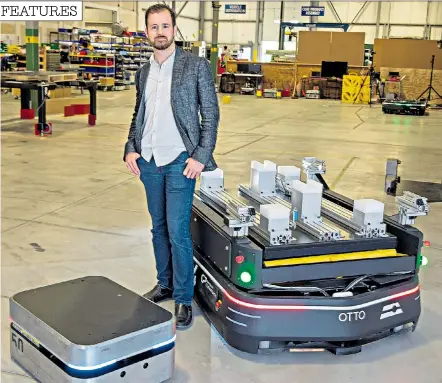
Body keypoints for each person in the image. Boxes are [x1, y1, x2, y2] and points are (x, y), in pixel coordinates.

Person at [123, 3, 219, 329]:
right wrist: (130, 148)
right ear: (146, 31)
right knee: (158, 227)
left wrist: (201, 155)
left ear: (174, 30)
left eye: (166, 26)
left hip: (180, 161)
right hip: (149, 162)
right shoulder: (143, 72)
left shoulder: (195, 66)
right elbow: (140, 114)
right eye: (154, 27)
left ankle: (182, 297)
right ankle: (164, 284)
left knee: (178, 231)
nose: (160, 32)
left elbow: (211, 113)